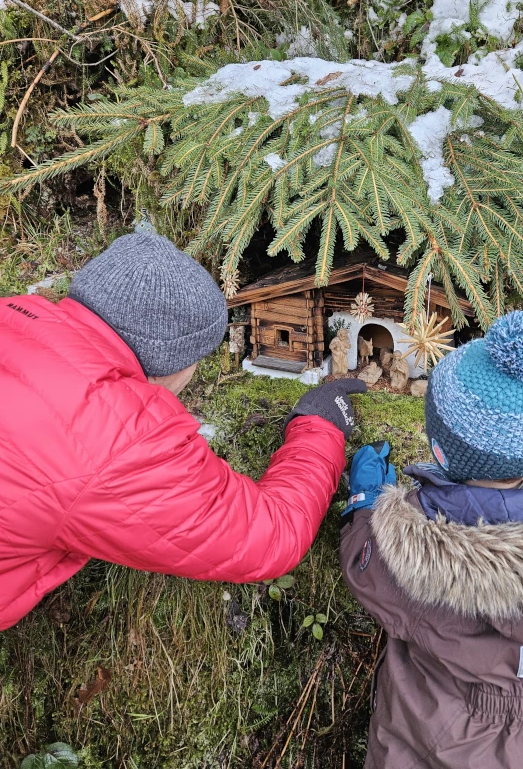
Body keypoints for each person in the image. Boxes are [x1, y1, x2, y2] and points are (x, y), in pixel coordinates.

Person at [0, 230, 365, 631]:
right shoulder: (120, 440)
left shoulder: (12, 314)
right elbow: (270, 536)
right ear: (174, 361)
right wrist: (319, 428)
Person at [340, 310, 523, 769]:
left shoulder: (420, 552)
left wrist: (366, 505)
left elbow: (365, 568)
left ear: (440, 449)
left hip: (435, 740)